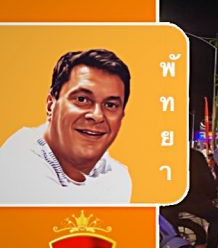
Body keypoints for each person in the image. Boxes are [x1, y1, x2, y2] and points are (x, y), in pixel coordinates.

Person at [0, 49, 132, 204]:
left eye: (110, 105)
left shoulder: (117, 176)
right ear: (50, 105)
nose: (97, 116)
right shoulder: (17, 163)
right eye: (82, 99)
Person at [160, 148, 218, 248]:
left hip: (168, 200)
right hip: (193, 199)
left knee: (168, 225)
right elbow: (206, 178)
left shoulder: (163, 154)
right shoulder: (195, 155)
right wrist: (212, 194)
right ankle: (211, 247)